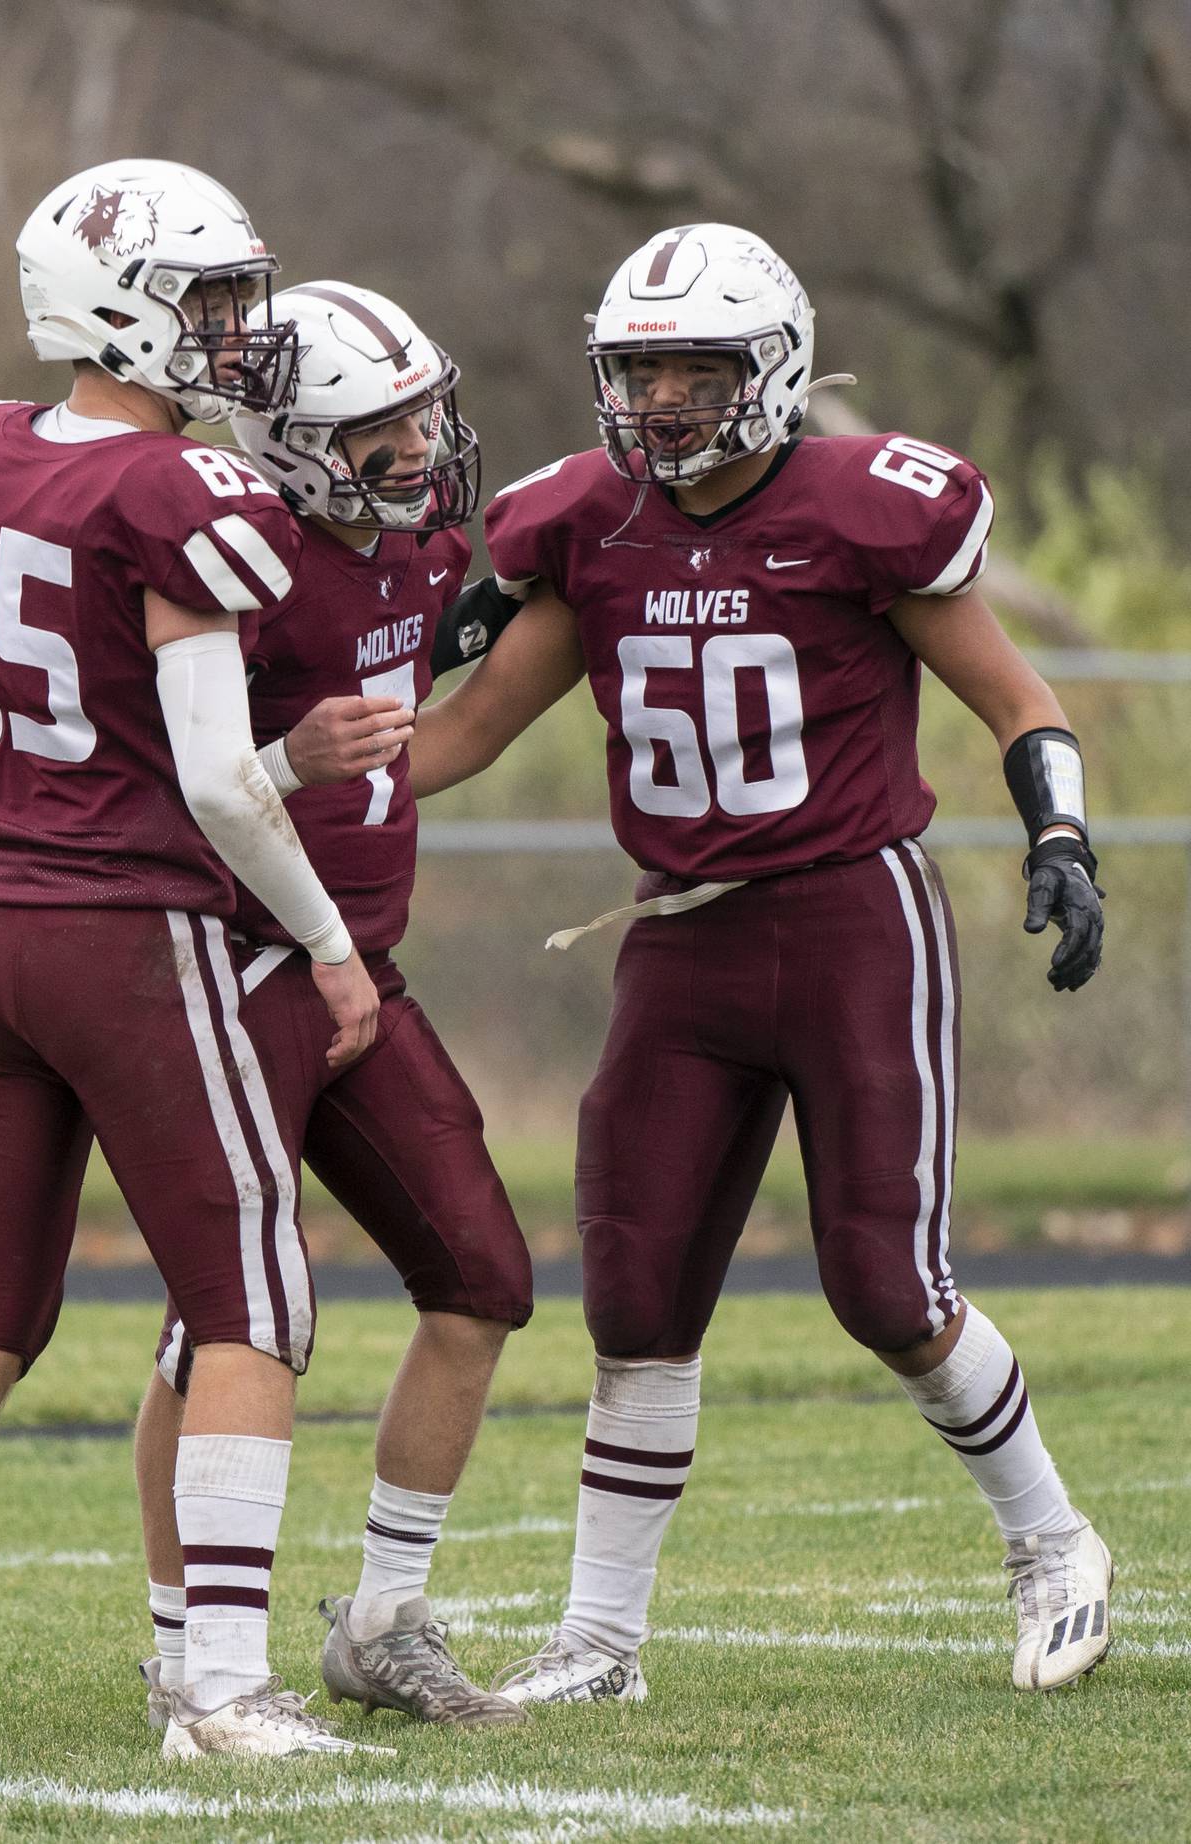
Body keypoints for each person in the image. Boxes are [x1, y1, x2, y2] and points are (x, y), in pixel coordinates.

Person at [407, 223, 1111, 1705]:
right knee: (637, 1289)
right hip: (678, 938)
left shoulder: (866, 510)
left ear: (776, 368)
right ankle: (601, 1645)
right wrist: (262, 778)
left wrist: (1061, 835)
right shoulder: (586, 521)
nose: (662, 398)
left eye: (696, 367)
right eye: (638, 367)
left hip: (853, 921)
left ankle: (1054, 1543)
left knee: (882, 1283)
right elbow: (458, 735)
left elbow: (1015, 695)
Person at [0, 159, 404, 1763]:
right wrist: (335, 947)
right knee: (256, 1297)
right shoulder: (177, 496)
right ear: (118, 304)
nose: (231, 330)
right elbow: (219, 782)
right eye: (206, 300)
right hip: (121, 928)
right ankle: (217, 1690)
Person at [132, 280, 531, 1733]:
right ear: (297, 442)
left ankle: (381, 1618)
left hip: (365, 960)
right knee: (220, 1320)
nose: (423, 442)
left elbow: (408, 666)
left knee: (483, 1275)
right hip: (237, 963)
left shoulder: (418, 545)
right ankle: (183, 1644)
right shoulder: (235, 557)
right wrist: (288, 758)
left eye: (425, 408)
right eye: (382, 426)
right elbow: (184, 777)